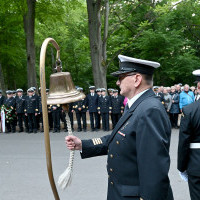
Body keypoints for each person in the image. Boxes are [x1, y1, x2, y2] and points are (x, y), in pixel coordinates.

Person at [65, 54, 173, 200]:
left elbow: (153, 169)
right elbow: (118, 138)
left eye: (121, 77)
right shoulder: (136, 105)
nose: (117, 82)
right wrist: (83, 145)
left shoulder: (149, 110)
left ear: (136, 79)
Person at [178, 69, 200, 200]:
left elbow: (184, 142)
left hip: (197, 165)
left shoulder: (190, 110)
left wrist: (182, 166)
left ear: (198, 86)